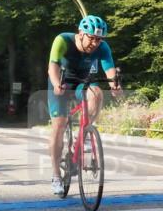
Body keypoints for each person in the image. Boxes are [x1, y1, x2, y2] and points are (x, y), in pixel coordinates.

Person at [47, 15, 122, 195]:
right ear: (81, 33)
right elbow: (53, 66)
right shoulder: (62, 40)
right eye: (92, 38)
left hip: (83, 82)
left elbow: (110, 68)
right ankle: (56, 176)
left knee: (96, 93)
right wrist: (57, 84)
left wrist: (115, 85)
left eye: (99, 39)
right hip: (62, 82)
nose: (95, 43)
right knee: (59, 124)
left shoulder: (102, 47)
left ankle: (85, 133)